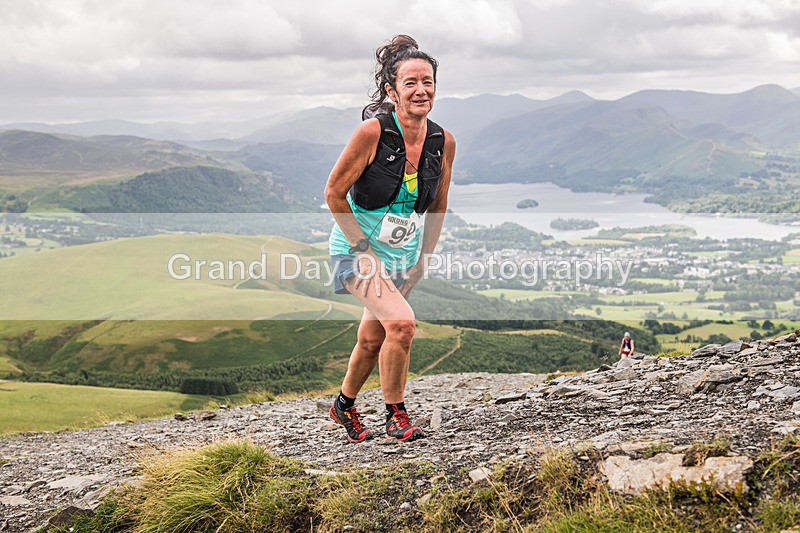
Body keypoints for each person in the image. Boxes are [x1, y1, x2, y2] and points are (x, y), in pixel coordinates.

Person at [324, 35, 456, 443]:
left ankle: (342, 408)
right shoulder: (372, 133)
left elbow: (438, 206)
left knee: (372, 338)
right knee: (401, 325)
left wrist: (423, 261)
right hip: (355, 247)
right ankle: (395, 414)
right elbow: (333, 193)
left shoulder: (442, 142)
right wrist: (363, 252)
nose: (421, 90)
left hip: (401, 252)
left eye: (428, 82)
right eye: (411, 82)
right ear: (391, 90)